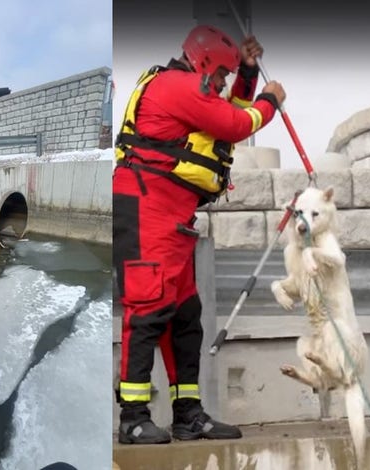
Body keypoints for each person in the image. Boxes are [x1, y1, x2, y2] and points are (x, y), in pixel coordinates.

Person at [113, 25, 287, 444]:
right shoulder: (178, 86)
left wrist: (248, 75)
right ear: (207, 65)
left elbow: (227, 109)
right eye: (225, 75)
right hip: (147, 208)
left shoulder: (190, 88)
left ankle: (188, 415)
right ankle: (133, 419)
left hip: (172, 216)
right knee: (148, 309)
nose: (226, 84)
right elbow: (234, 122)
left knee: (185, 317)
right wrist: (272, 100)